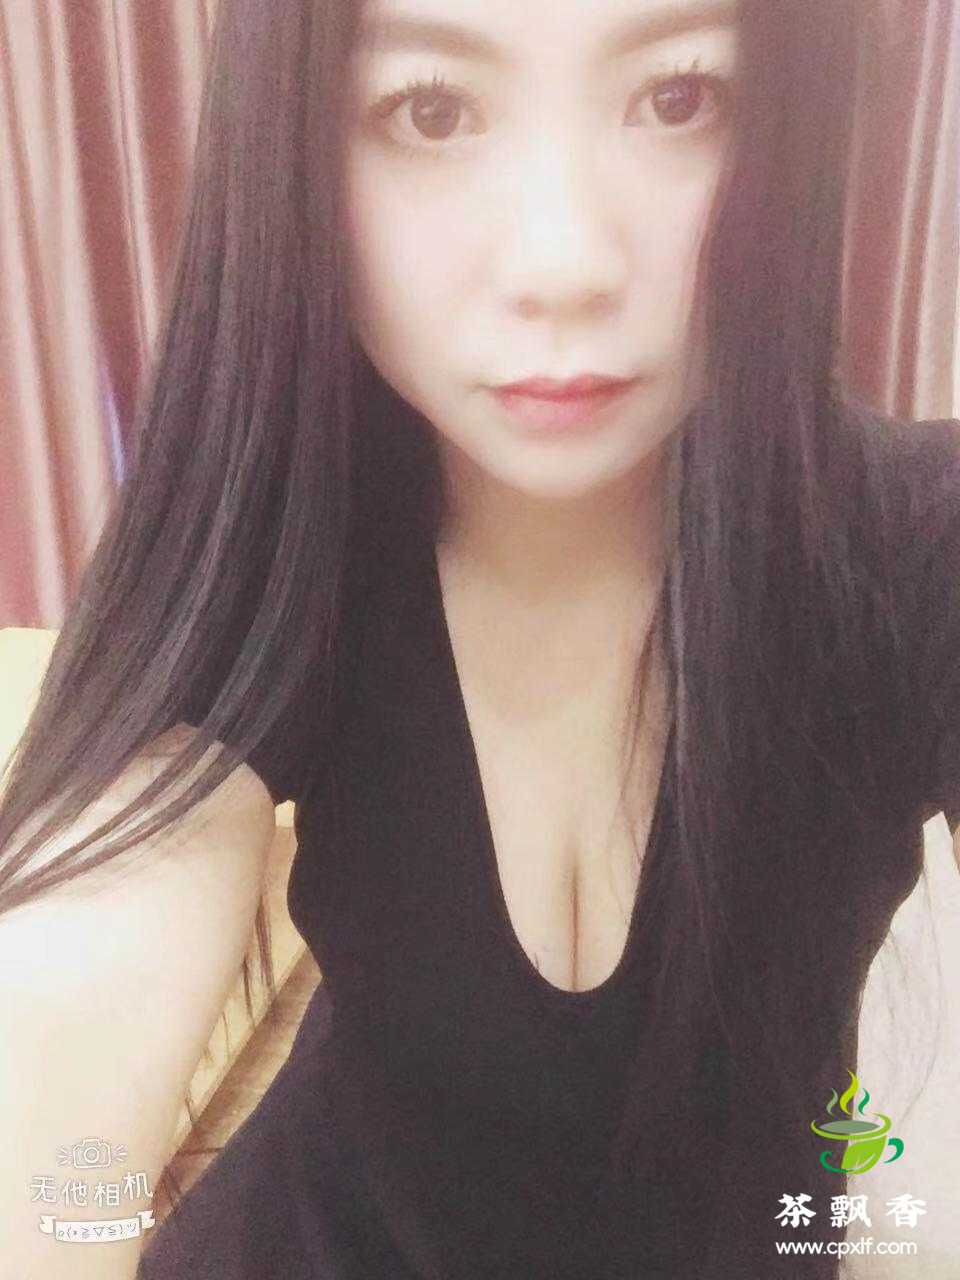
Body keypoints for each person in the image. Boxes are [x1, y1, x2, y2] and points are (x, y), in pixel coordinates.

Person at [1, 0, 957, 1277]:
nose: (563, 261)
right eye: (431, 109)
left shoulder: (916, 544)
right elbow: (57, 1039)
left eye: (680, 98)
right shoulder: (285, 540)